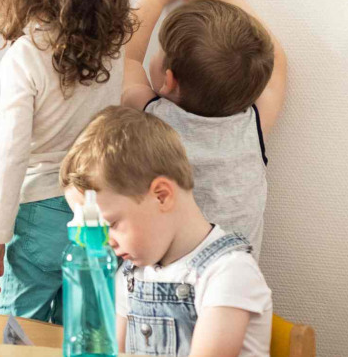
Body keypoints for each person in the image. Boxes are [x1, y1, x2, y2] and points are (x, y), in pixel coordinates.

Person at [0, 0, 134, 323]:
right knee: (82, 328)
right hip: (96, 208)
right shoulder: (113, 47)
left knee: (19, 329)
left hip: (38, 212)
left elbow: (9, 153)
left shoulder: (25, 57)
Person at [61, 106, 273, 356]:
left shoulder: (228, 273)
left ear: (161, 196)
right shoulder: (131, 276)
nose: (108, 243)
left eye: (112, 225)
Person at [122, 0, 288, 257]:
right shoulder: (252, 126)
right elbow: (277, 65)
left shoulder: (151, 117)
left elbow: (126, 59)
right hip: (235, 292)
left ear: (167, 80)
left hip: (165, 290)